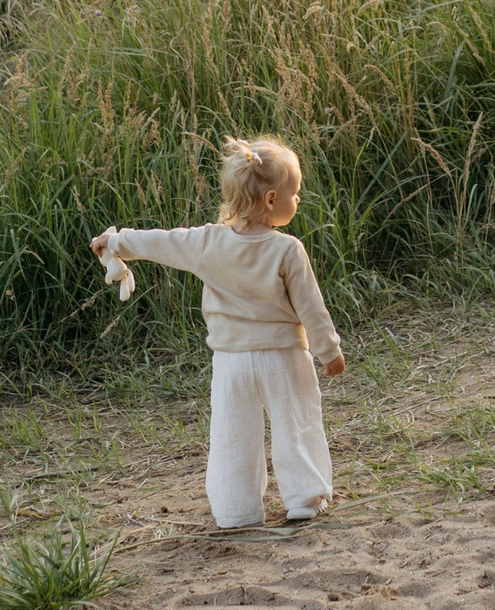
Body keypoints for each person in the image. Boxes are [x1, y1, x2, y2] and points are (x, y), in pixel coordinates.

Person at [90, 136, 346, 529]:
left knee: (232, 434)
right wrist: (329, 351)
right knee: (296, 423)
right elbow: (311, 308)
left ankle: (236, 510)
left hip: (231, 362)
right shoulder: (288, 250)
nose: (299, 200)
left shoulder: (208, 242)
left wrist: (117, 241)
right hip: (284, 356)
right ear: (272, 199)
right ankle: (304, 499)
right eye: (295, 193)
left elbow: (162, 241)